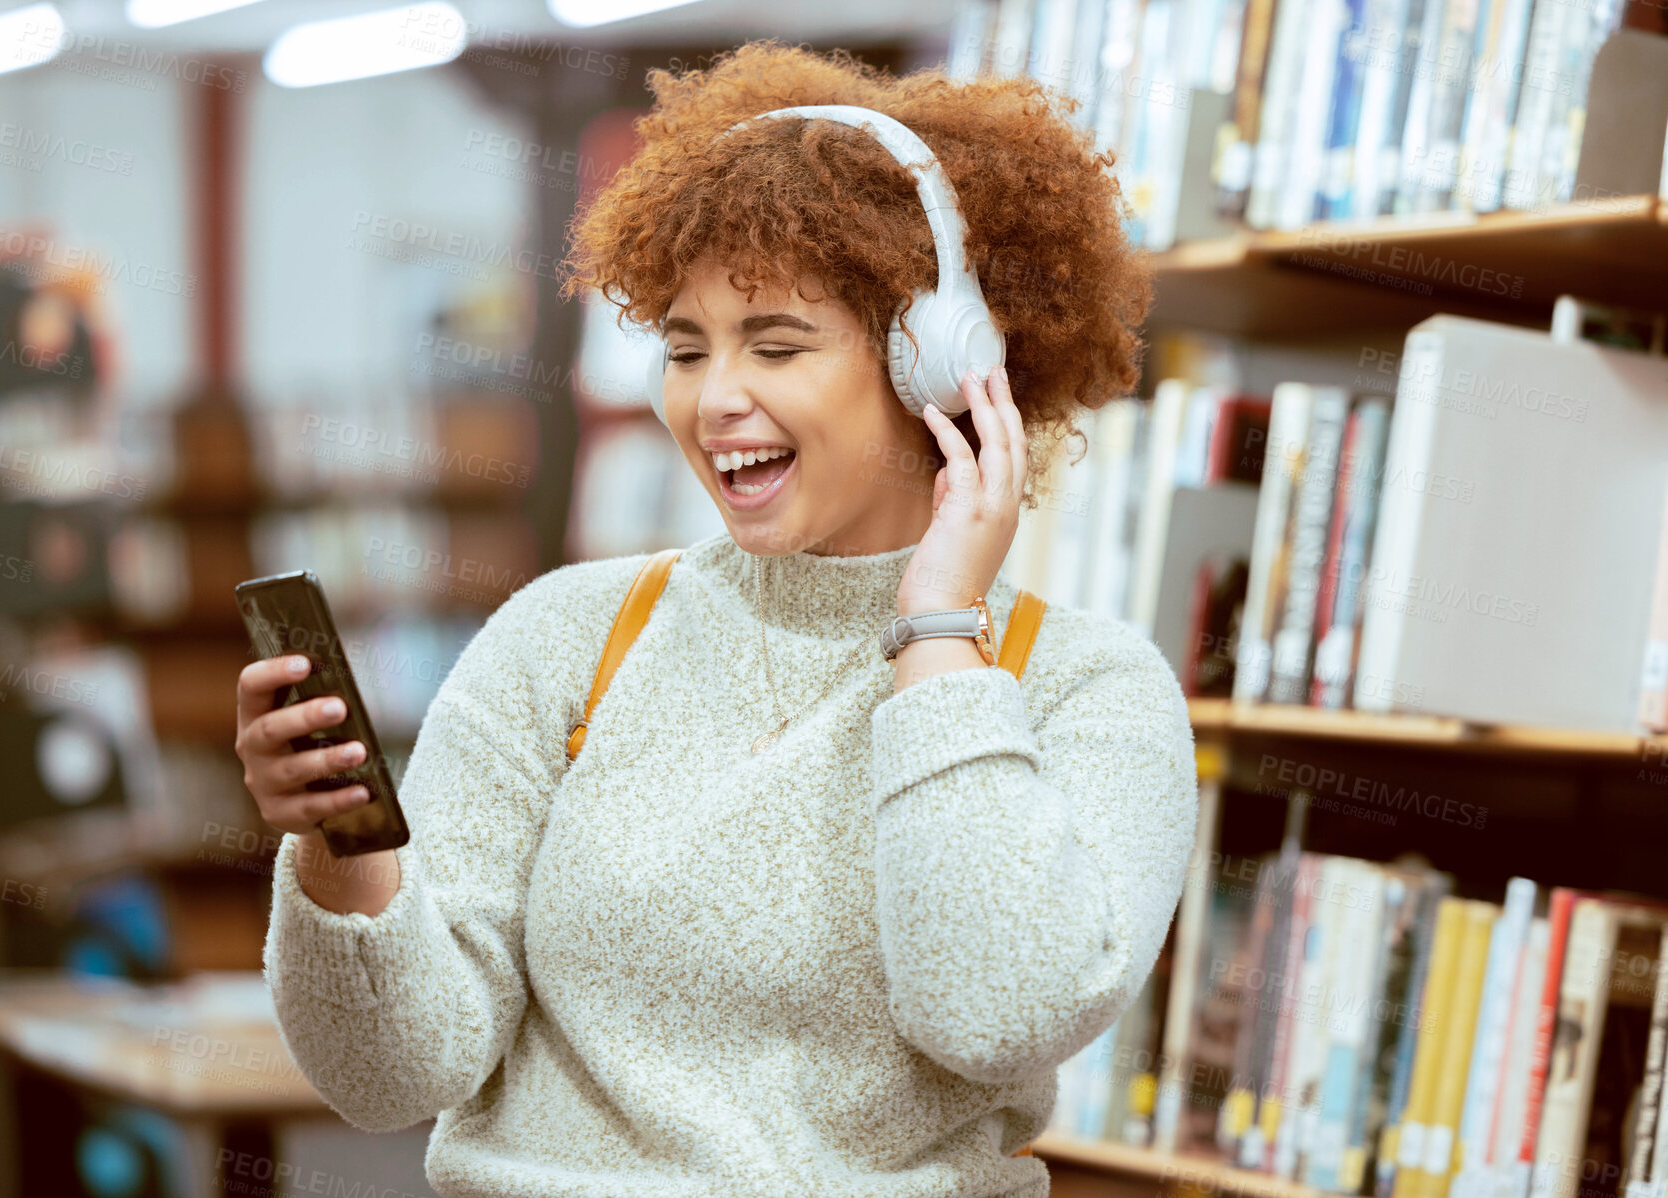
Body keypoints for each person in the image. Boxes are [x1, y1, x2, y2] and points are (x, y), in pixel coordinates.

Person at [236, 39, 1197, 1198]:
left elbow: (994, 1015)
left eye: (776, 344)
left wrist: (938, 631)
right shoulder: (570, 637)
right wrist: (341, 860)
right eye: (685, 349)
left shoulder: (1082, 687)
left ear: (939, 368)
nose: (713, 398)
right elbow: (391, 1078)